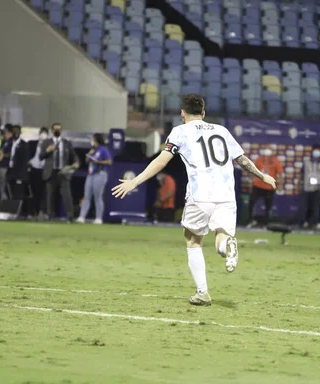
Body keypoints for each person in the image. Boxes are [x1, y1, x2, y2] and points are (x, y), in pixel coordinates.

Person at [112, 94, 276, 306]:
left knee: (193, 241)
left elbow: (162, 161)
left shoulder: (180, 131)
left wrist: (135, 181)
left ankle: (203, 293)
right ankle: (229, 247)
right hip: (226, 194)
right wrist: (262, 176)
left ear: (182, 114)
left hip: (201, 195)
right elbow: (242, 160)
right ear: (204, 113)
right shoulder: (221, 130)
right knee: (222, 237)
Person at [40, 123, 79, 221]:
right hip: (51, 172)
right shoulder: (46, 142)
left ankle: (70, 216)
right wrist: (48, 151)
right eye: (55, 129)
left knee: (67, 195)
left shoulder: (66, 143)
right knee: (50, 195)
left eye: (59, 129)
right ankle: (50, 215)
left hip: (63, 172)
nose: (57, 131)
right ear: (52, 131)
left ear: (61, 131)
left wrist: (76, 162)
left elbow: (73, 155)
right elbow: (41, 156)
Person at [77, 133, 112, 224]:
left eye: (93, 139)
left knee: (98, 196)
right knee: (87, 196)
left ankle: (99, 218)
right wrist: (89, 154)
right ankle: (82, 216)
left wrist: (99, 161)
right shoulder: (93, 149)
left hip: (100, 174)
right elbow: (87, 161)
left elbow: (109, 161)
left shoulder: (103, 149)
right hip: (91, 174)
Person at [247, 144, 282, 228]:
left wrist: (279, 185)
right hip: (257, 185)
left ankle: (265, 224)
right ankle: (251, 221)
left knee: (268, 206)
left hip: (269, 187)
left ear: (272, 151)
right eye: (266, 148)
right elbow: (253, 170)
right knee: (251, 202)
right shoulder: (259, 159)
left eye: (269, 149)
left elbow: (279, 174)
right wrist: (251, 181)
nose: (267, 150)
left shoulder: (276, 160)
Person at [298, 145, 320, 230]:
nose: (316, 153)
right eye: (315, 151)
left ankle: (314, 223)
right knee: (304, 207)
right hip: (306, 187)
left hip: (317, 188)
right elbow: (302, 174)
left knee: (315, 207)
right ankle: (303, 222)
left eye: (318, 151)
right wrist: (299, 184)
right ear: (312, 152)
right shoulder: (306, 162)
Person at [7, 125, 29, 210]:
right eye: (14, 131)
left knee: (19, 193)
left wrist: (21, 175)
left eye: (17, 131)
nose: (15, 133)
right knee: (11, 192)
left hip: (19, 173)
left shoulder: (24, 144)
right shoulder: (9, 142)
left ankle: (19, 211)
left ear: (20, 132)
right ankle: (12, 210)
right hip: (10, 171)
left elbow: (25, 161)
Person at [28, 127, 48, 218]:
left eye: (45, 133)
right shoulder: (32, 144)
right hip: (34, 169)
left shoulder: (50, 145)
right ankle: (33, 211)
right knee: (34, 192)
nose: (43, 134)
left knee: (43, 192)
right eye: (42, 133)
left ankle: (42, 211)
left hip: (44, 170)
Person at [0, 125, 13, 203]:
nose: (4, 134)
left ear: (10, 132)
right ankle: (2, 203)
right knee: (0, 187)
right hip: (0, 165)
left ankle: (5, 204)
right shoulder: (3, 141)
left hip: (5, 166)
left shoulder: (12, 141)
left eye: (5, 132)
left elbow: (12, 154)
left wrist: (3, 155)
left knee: (4, 187)